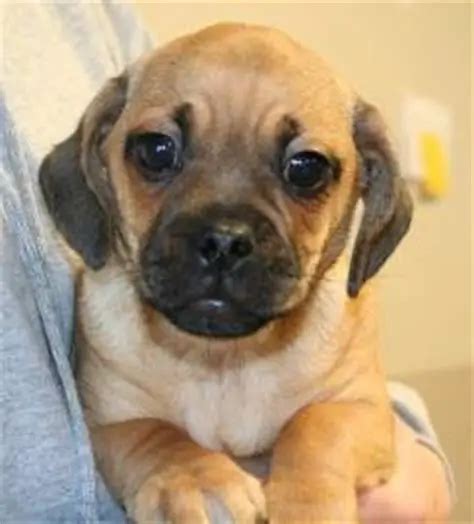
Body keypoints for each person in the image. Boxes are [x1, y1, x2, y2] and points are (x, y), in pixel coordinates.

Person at [0, 2, 453, 522]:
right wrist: (160, 454)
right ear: (95, 162)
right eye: (158, 154)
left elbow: (369, 418)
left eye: (303, 171)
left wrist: (319, 467)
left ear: (367, 192)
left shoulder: (91, 16)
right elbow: (103, 433)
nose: (225, 237)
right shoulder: (106, 327)